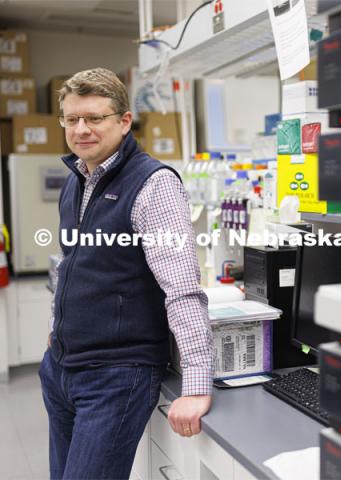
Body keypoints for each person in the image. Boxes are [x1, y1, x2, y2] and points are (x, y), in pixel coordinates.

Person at [38, 68, 213, 480]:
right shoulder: (76, 179)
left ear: (124, 121)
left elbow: (182, 288)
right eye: (71, 119)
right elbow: (71, 265)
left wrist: (197, 383)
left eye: (95, 118)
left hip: (116, 376)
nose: (81, 129)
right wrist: (55, 328)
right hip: (62, 368)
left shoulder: (153, 185)